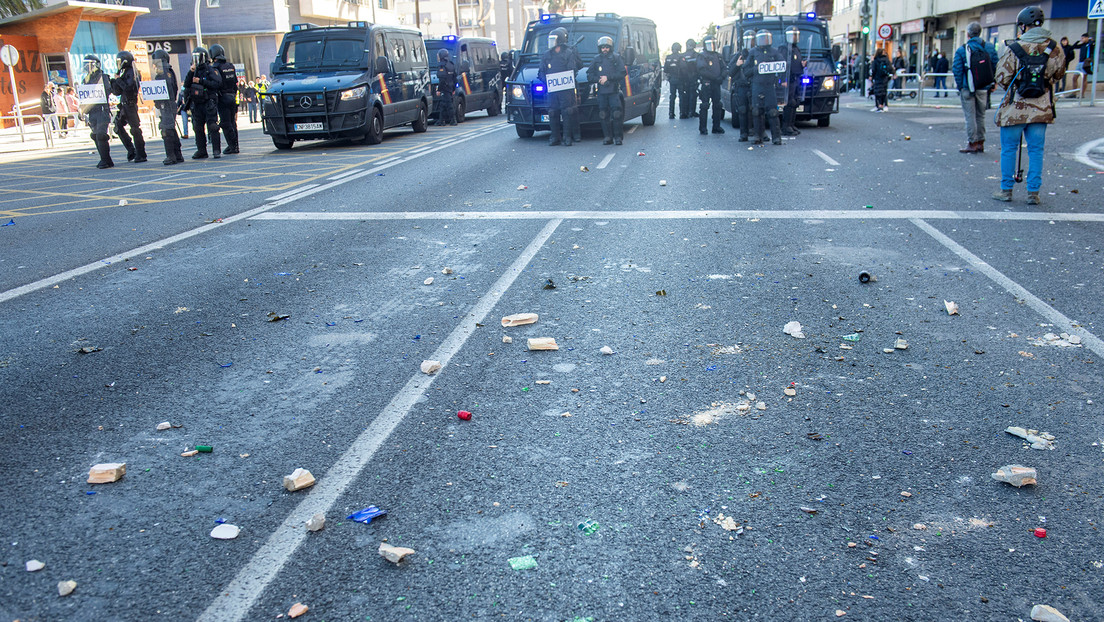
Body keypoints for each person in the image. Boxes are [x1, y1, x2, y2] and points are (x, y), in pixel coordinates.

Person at [991, 6, 1065, 205]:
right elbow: (1059, 75)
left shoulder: (1015, 48)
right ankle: (1033, 192)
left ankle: (1006, 189)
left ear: (1023, 26)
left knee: (1008, 148)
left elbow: (1001, 77)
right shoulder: (1055, 48)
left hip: (1015, 107)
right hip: (1041, 108)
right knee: (1036, 150)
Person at [953, 22, 998, 154]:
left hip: (968, 87)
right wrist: (993, 83)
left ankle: (972, 143)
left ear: (967, 34)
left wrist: (961, 86)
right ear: (980, 33)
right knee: (981, 116)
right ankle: (980, 142)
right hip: (983, 87)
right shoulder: (989, 47)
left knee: (970, 116)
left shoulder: (962, 49)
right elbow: (995, 64)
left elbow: (957, 69)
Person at [538, 27, 581, 146]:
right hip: (552, 89)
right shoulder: (547, 55)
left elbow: (573, 69)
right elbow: (541, 71)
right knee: (552, 112)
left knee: (567, 112)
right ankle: (555, 137)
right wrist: (545, 81)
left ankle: (567, 137)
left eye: (554, 40)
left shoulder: (568, 53)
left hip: (565, 89)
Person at [744, 29, 785, 145]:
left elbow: (783, 66)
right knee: (757, 111)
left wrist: (781, 80)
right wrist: (756, 70)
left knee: (772, 112)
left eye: (766, 38)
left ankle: (776, 137)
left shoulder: (775, 52)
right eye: (762, 39)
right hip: (757, 85)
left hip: (769, 86)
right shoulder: (753, 52)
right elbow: (746, 70)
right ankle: (758, 136)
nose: (764, 41)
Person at [182, 46, 223, 159]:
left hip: (208, 102)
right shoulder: (193, 71)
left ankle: (216, 150)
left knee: (213, 126)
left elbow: (217, 84)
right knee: (198, 128)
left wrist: (201, 81)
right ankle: (201, 150)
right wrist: (191, 72)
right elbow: (186, 85)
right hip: (197, 104)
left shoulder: (210, 70)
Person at [586, 36, 626, 145]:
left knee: (617, 114)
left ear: (610, 48)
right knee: (603, 114)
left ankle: (618, 137)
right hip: (602, 92)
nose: (605, 49)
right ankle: (607, 137)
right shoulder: (596, 59)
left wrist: (608, 78)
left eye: (607, 47)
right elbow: (589, 75)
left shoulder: (616, 58)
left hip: (614, 91)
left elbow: (622, 72)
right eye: (603, 47)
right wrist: (599, 80)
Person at [109, 50, 147, 163]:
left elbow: (129, 88)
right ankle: (131, 149)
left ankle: (141, 153)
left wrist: (118, 80)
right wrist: (114, 82)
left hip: (130, 104)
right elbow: (117, 91)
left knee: (135, 129)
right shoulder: (124, 73)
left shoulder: (133, 72)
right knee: (118, 126)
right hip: (124, 105)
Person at [150, 49, 184, 165]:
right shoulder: (168, 71)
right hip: (168, 103)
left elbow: (167, 89)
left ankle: (171, 156)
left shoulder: (164, 73)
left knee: (166, 130)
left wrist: (160, 102)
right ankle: (177, 154)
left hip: (167, 104)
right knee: (170, 129)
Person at [80, 55, 114, 168]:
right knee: (95, 135)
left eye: (88, 64)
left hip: (102, 110)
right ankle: (106, 159)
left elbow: (108, 90)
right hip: (92, 111)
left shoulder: (102, 77)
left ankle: (105, 160)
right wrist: (83, 110)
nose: (86, 67)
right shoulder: (85, 79)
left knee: (101, 135)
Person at [209, 44, 239, 154]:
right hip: (232, 96)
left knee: (226, 123)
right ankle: (235, 145)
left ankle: (232, 146)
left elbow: (216, 83)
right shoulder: (230, 66)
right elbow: (235, 83)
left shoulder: (215, 68)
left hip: (222, 97)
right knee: (232, 122)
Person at [727, 29, 755, 141]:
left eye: (752, 41)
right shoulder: (738, 55)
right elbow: (730, 72)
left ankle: (755, 131)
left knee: (755, 109)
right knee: (742, 109)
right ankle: (743, 133)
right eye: (748, 41)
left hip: (753, 85)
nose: (750, 43)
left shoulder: (757, 54)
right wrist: (737, 64)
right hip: (741, 86)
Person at [696, 36, 725, 135]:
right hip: (707, 83)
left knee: (717, 105)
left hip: (716, 84)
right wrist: (714, 78)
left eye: (713, 44)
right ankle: (703, 128)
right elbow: (702, 70)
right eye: (709, 44)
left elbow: (724, 68)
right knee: (704, 105)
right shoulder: (702, 56)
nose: (711, 46)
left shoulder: (718, 56)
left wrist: (722, 77)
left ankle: (716, 127)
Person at [779, 26, 804, 135]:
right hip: (788, 79)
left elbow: (796, 62)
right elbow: (782, 65)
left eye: (795, 35)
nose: (794, 37)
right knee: (789, 103)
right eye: (792, 35)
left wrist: (802, 64)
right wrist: (783, 79)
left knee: (795, 102)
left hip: (796, 78)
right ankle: (786, 126)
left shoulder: (796, 49)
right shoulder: (784, 49)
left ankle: (792, 124)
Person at [434, 48, 457, 126]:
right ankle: (441, 120)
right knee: (443, 104)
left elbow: (442, 79)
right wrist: (454, 88)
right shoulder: (451, 64)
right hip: (450, 87)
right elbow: (454, 77)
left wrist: (439, 90)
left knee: (449, 104)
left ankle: (453, 120)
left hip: (445, 87)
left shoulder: (441, 65)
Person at [678, 39, 699, 118]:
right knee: (693, 95)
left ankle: (684, 112)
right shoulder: (696, 55)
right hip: (693, 77)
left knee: (684, 95)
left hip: (683, 78)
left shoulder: (682, 55)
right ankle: (691, 111)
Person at [1071, 33, 1094, 98]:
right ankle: (1074, 93)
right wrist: (1078, 41)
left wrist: (1090, 40)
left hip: (1085, 63)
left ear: (1087, 38)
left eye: (1083, 38)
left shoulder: (1089, 44)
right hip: (1080, 62)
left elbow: (1092, 45)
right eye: (1081, 38)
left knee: (1084, 78)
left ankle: (1082, 94)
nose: (1082, 39)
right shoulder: (1082, 45)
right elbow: (1074, 46)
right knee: (1074, 78)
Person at [664, 42, 682, 119]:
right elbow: (684, 68)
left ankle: (671, 113)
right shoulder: (681, 57)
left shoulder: (668, 57)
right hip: (680, 79)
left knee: (672, 96)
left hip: (672, 79)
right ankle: (682, 112)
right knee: (681, 95)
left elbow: (665, 69)